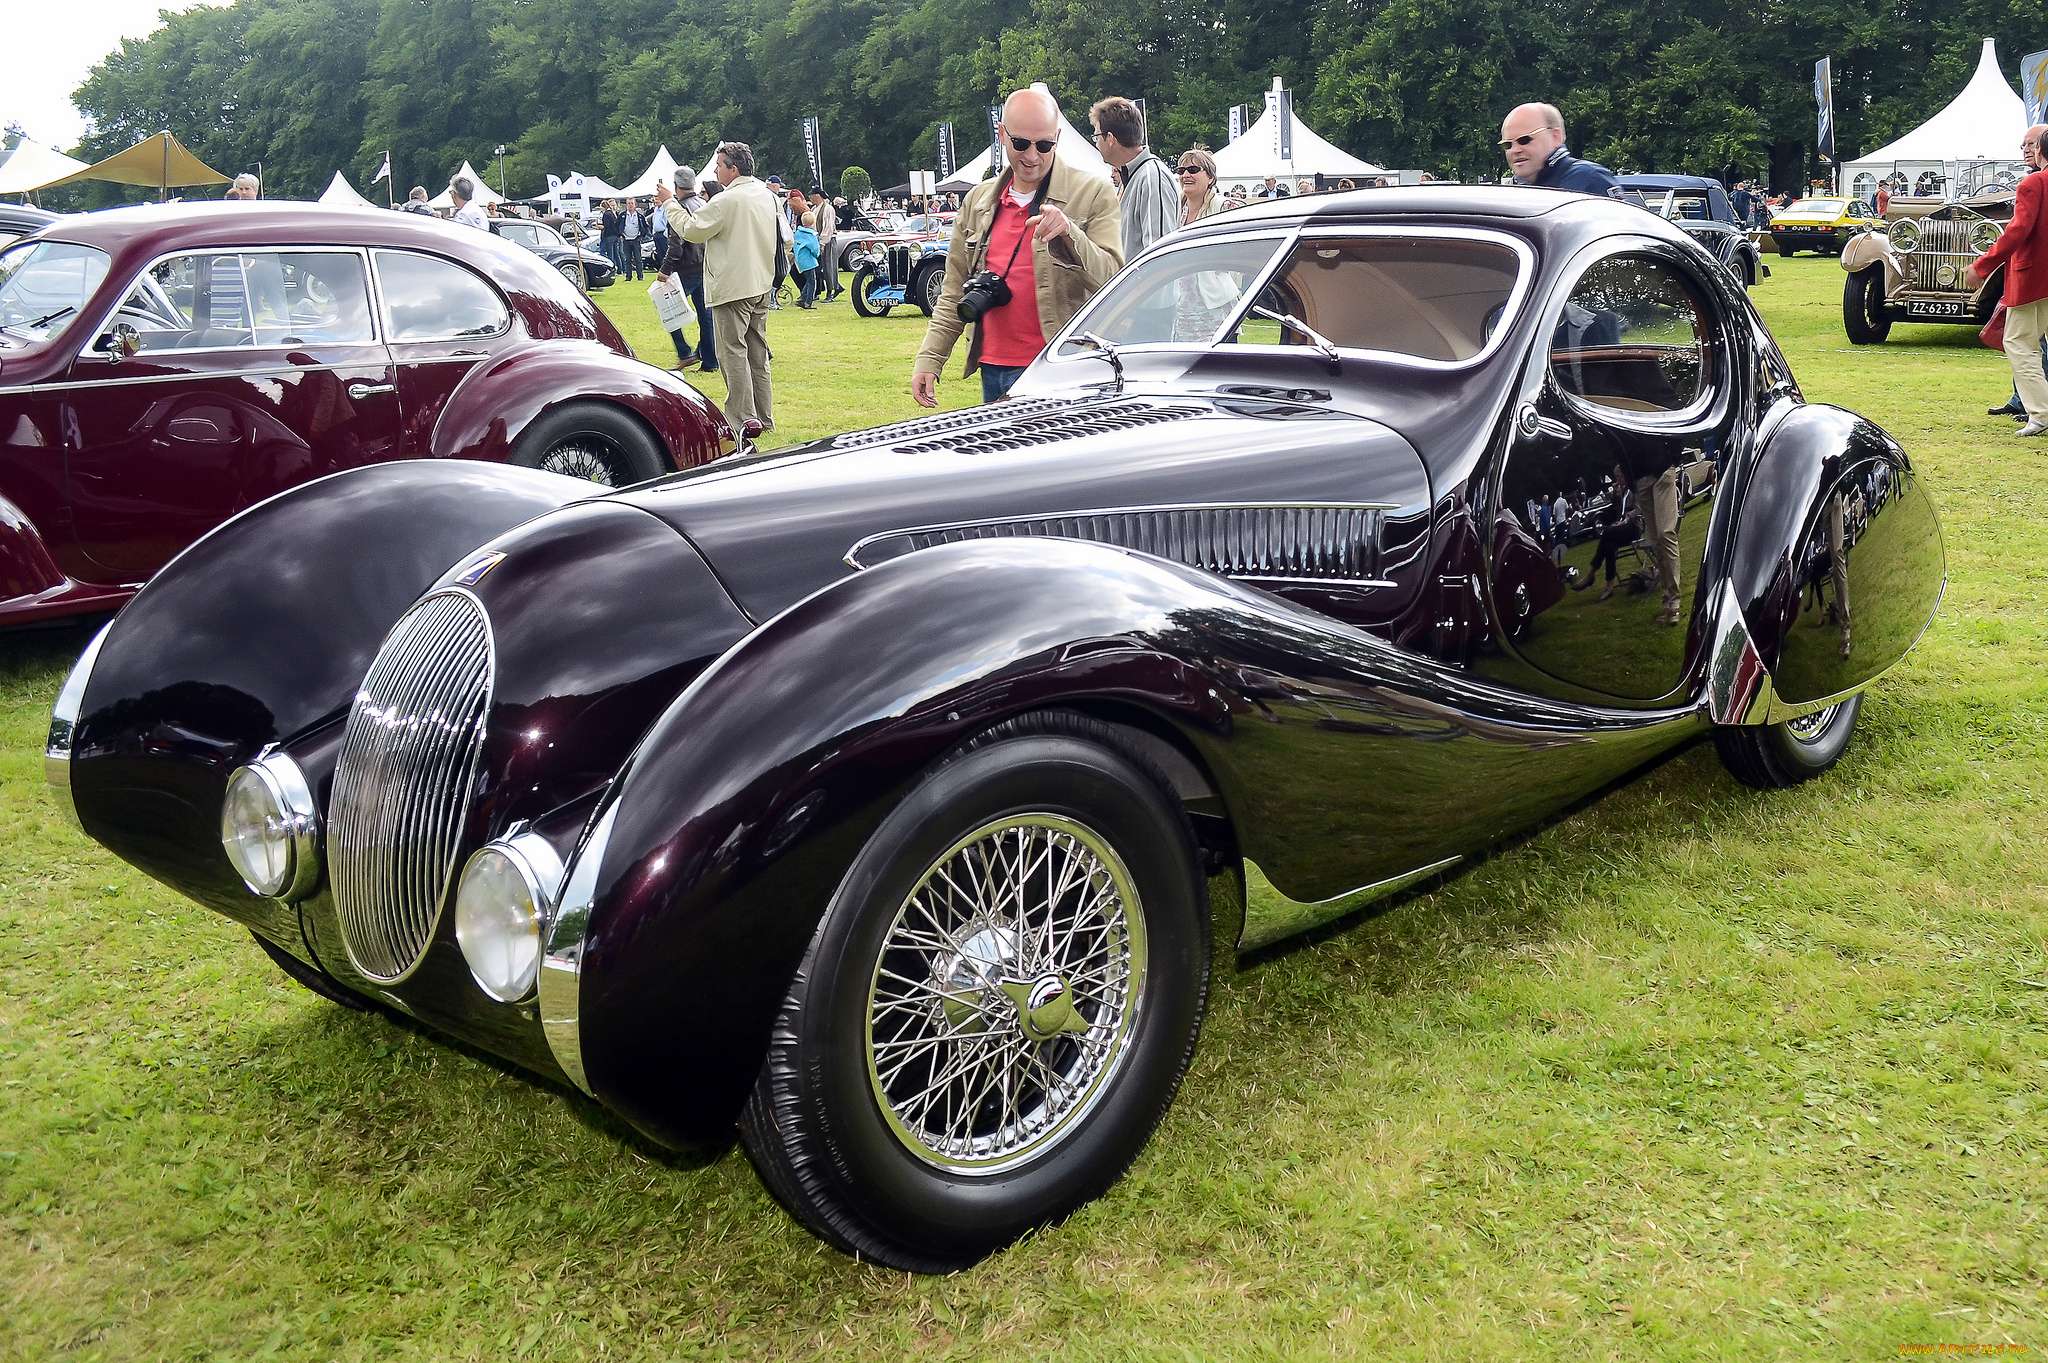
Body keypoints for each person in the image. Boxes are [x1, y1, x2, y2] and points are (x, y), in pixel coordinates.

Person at [912, 87, 1122, 406]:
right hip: (992, 370)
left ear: (1058, 138)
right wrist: (930, 359)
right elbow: (954, 290)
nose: (1032, 156)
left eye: (1045, 144)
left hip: (1060, 371)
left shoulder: (1094, 193)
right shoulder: (978, 201)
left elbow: (1114, 279)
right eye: (1021, 143)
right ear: (1002, 135)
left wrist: (1070, 234)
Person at [663, 141, 776, 431]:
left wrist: (668, 203)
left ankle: (741, 419)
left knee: (733, 353)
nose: (714, 170)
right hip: (761, 283)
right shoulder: (766, 195)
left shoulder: (726, 200)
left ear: (733, 169)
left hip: (732, 287)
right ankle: (764, 417)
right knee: (757, 354)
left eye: (719, 165)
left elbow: (691, 230)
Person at [1965, 124, 2048, 437]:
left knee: (2018, 343)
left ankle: (2040, 412)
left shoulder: (2033, 183)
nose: (2027, 149)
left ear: (2041, 148)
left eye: (2030, 144)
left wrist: (1983, 265)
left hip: (2033, 279)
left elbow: (2018, 230)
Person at [1092, 96, 1179, 265]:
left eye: (1097, 137)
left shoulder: (1152, 178)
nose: (1096, 144)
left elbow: (1159, 258)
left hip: (1149, 290)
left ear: (1110, 139)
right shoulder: (1134, 177)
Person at [656, 166, 716, 373]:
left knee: (667, 309)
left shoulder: (678, 209)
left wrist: (665, 269)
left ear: (676, 186)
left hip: (686, 268)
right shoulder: (703, 203)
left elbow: (675, 244)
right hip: (705, 266)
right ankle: (710, 361)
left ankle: (684, 352)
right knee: (705, 316)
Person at [1499, 103, 1620, 197]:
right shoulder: (1510, 194)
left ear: (1555, 136)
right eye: (1507, 145)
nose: (1515, 150)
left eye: (1524, 140)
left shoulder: (1591, 179)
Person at [811, 189, 841, 300]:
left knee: (829, 267)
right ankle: (837, 286)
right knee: (818, 268)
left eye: (812, 195)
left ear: (817, 195)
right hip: (817, 240)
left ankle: (830, 292)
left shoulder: (828, 209)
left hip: (828, 240)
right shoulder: (814, 209)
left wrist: (823, 242)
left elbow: (828, 227)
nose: (810, 198)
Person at [794, 210, 822, 309]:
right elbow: (815, 249)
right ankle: (808, 302)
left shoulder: (798, 233)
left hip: (799, 260)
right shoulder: (811, 235)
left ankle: (802, 297)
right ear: (813, 222)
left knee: (809, 280)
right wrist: (817, 254)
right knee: (812, 282)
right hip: (809, 260)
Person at [619, 199, 644, 281]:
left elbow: (645, 227)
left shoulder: (639, 216)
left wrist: (641, 236)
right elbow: (617, 226)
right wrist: (620, 235)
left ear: (635, 205)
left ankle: (640, 276)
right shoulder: (622, 215)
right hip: (626, 239)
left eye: (632, 203)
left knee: (638, 259)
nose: (630, 205)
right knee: (627, 259)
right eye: (629, 203)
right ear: (626, 205)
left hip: (636, 240)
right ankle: (628, 276)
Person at [598, 200, 623, 271]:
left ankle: (612, 269)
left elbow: (607, 226)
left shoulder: (606, 214)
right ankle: (620, 269)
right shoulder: (611, 213)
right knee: (616, 253)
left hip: (609, 236)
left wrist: (602, 228)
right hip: (616, 236)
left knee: (610, 254)